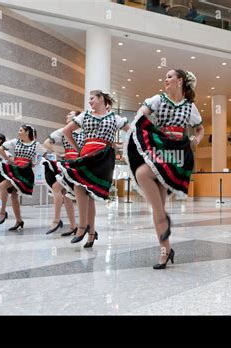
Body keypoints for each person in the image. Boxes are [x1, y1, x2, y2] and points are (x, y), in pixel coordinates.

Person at [125, 69, 204, 269]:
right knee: (153, 193)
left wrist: (196, 139)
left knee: (144, 174)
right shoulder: (158, 99)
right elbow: (141, 115)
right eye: (166, 77)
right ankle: (165, 250)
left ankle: (161, 216)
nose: (165, 79)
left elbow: (200, 128)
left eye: (170, 76)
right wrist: (145, 117)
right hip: (161, 146)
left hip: (178, 151)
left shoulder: (190, 107)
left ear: (180, 81)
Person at [58, 90, 129, 248]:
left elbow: (132, 132)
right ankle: (89, 232)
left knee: (87, 191)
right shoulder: (84, 115)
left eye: (92, 98)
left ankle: (83, 227)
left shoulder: (115, 118)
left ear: (102, 99)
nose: (89, 102)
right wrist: (78, 148)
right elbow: (66, 131)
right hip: (86, 154)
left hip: (103, 156)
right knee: (80, 186)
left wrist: (120, 146)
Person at [42, 111, 84, 236]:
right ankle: (72, 226)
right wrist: (59, 153)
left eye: (69, 114)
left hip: (81, 164)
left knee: (66, 191)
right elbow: (46, 143)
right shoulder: (63, 131)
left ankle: (61, 221)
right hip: (67, 164)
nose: (66, 116)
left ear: (76, 117)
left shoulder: (86, 131)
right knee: (64, 193)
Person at [0, 125, 45, 230]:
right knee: (8, 191)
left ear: (27, 132)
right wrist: (9, 159)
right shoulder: (15, 141)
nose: (18, 132)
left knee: (7, 189)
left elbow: (44, 154)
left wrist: (35, 162)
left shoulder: (36, 144)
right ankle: (17, 220)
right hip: (15, 168)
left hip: (25, 171)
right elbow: (0, 149)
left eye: (21, 130)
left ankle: (4, 213)